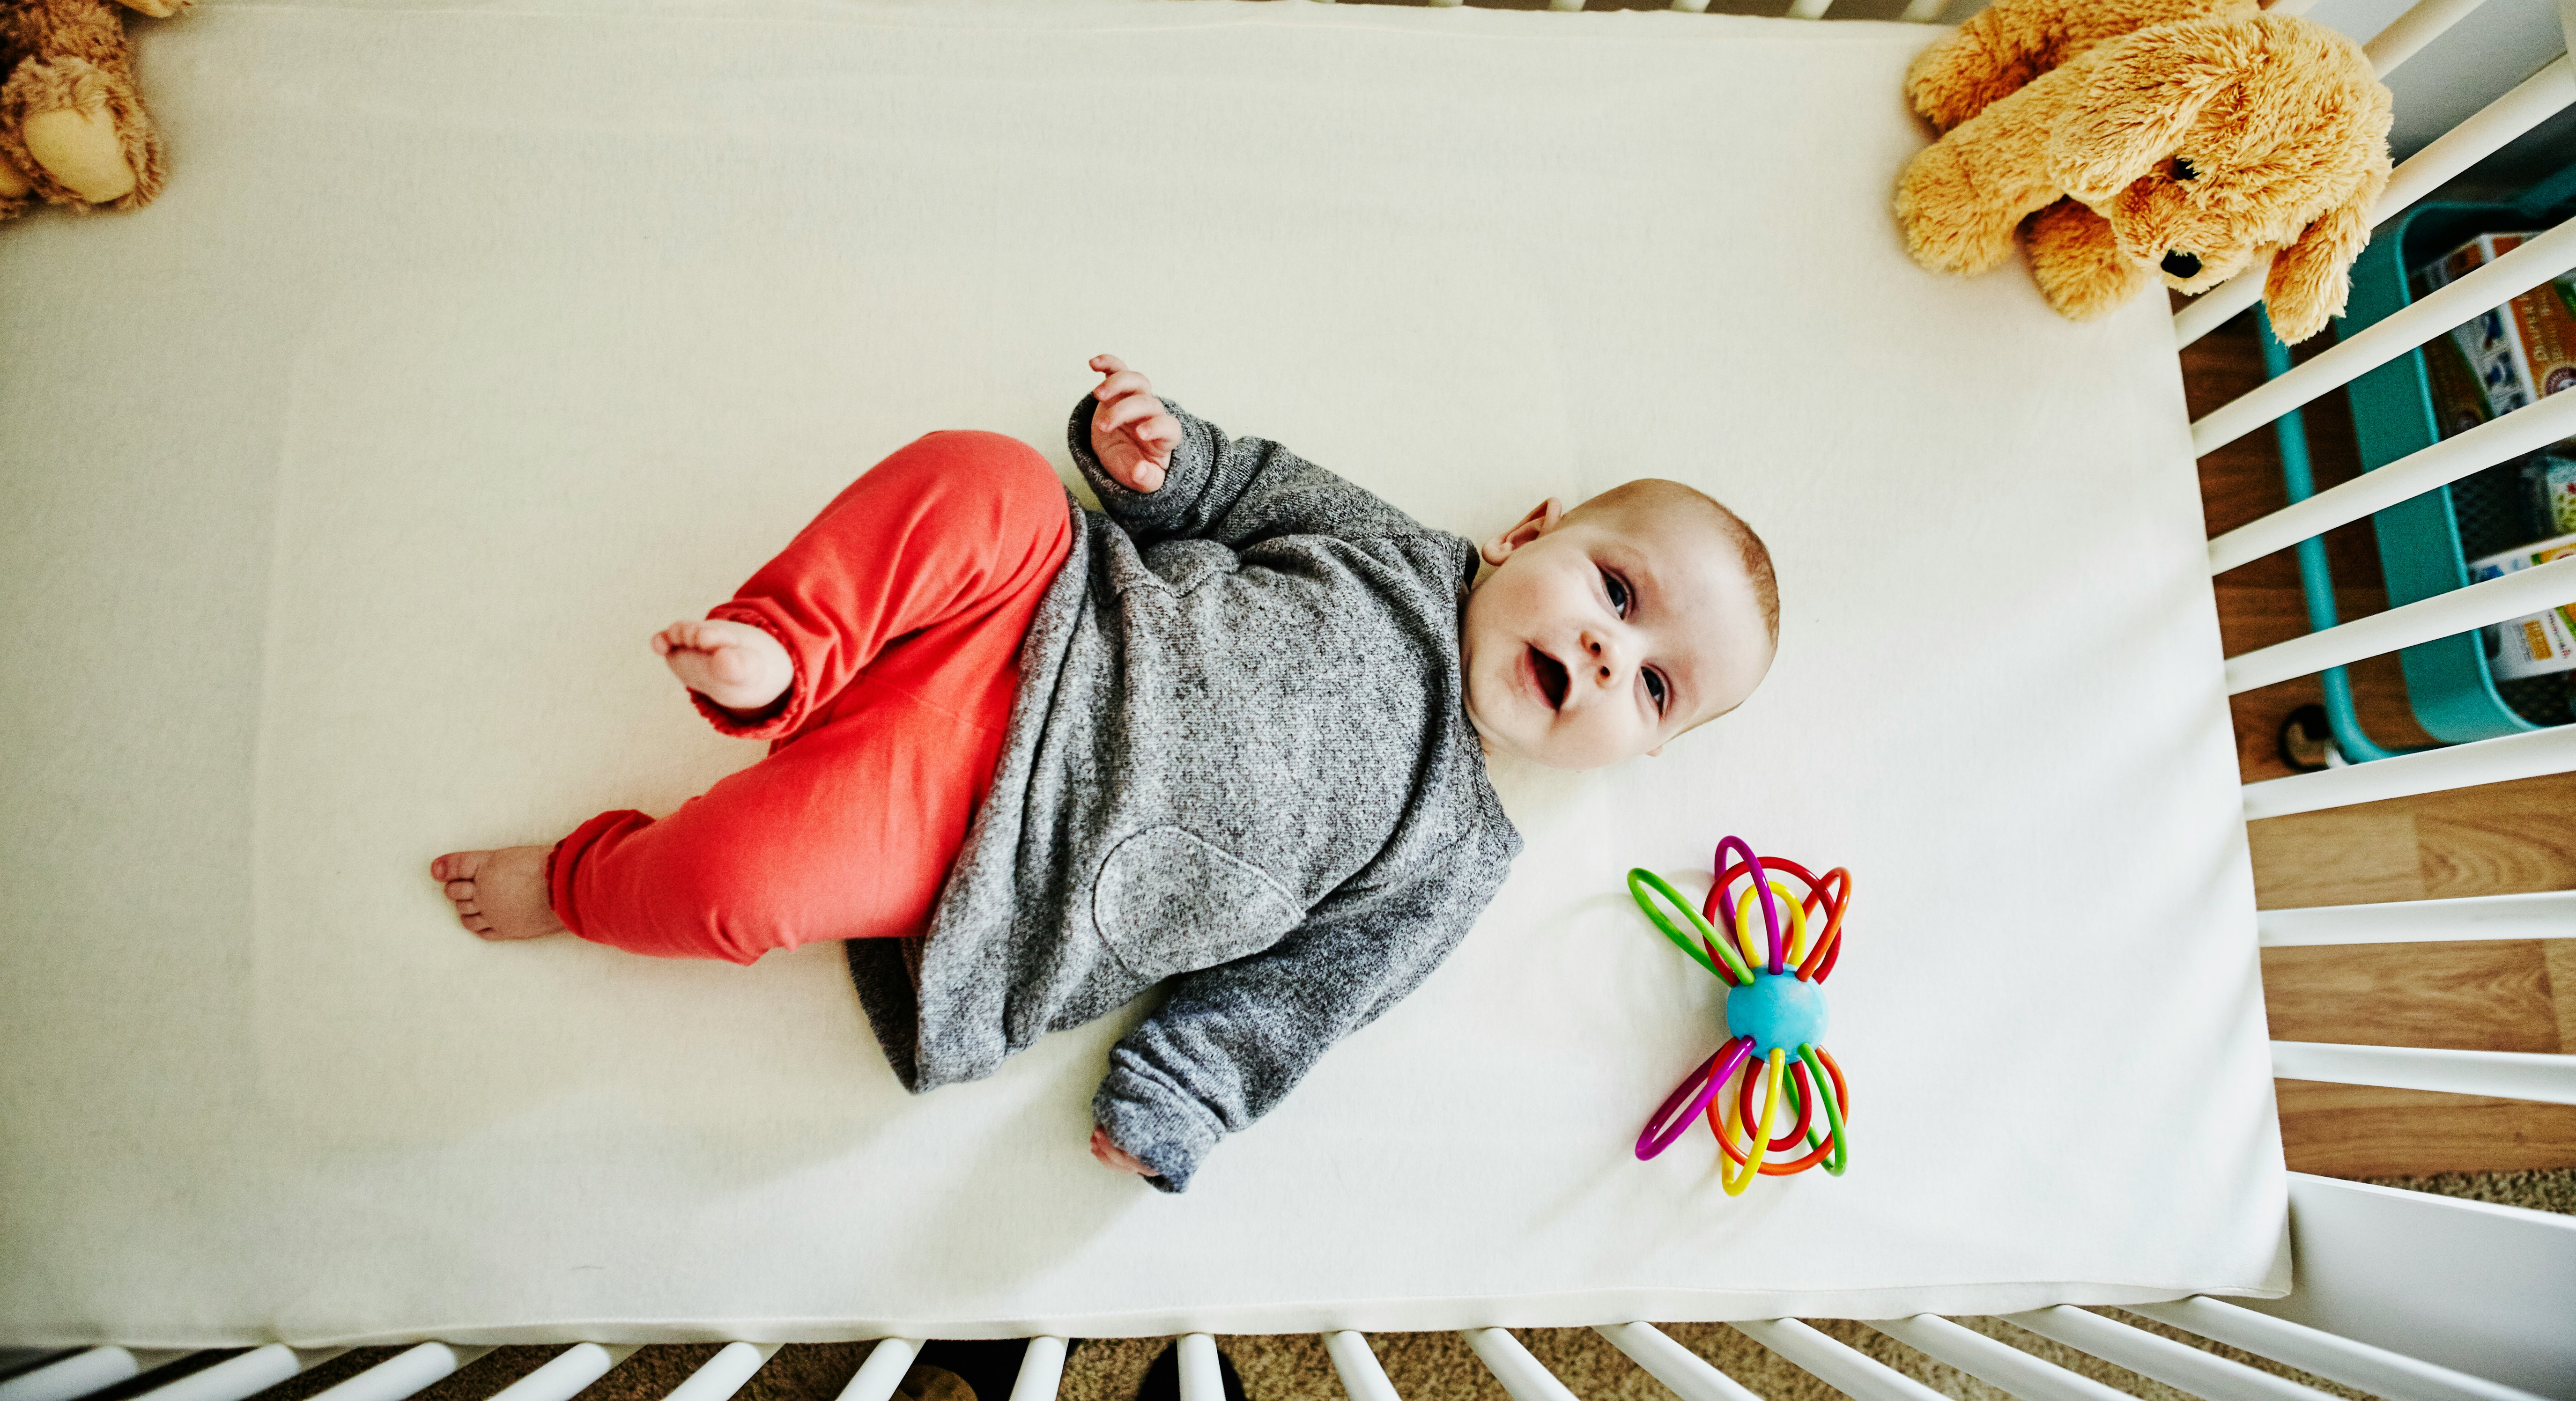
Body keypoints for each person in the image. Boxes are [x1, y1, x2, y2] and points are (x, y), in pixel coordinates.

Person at [432, 354, 1779, 1190]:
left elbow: (1303, 995)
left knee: (739, 882)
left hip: (984, 852)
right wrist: (1159, 453)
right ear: (1522, 533)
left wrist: (1179, 1099)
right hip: (1040, 607)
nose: (1608, 651)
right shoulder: (1391, 550)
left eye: (1655, 683)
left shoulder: (1454, 850)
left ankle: (587, 876)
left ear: (1642, 749)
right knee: (986, 474)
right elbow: (1240, 487)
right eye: (1614, 586)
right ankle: (789, 647)